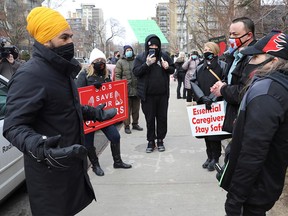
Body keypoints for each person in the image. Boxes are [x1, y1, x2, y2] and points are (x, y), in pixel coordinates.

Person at [2, 7, 117, 215]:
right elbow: (13, 126)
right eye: (64, 37)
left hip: (70, 168)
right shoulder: (30, 75)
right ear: (46, 40)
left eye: (71, 36)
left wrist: (94, 113)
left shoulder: (61, 71)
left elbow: (64, 108)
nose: (70, 42)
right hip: (50, 176)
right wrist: (42, 149)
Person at [219, 30, 288, 216]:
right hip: (259, 186)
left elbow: (253, 153)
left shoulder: (267, 93)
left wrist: (235, 198)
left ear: (273, 60)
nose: (250, 62)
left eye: (256, 57)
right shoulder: (273, 86)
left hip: (253, 191)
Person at [76, 48, 132, 176]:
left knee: (115, 136)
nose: (100, 62)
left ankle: (117, 161)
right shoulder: (84, 75)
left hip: (103, 114)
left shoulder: (106, 75)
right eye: (97, 60)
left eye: (102, 60)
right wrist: (92, 88)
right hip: (88, 115)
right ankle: (95, 165)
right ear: (92, 62)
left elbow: (110, 93)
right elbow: (79, 94)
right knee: (89, 143)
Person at [211, 17, 257, 134]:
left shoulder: (254, 58)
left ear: (249, 35)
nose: (231, 38)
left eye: (235, 34)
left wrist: (223, 89)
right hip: (234, 117)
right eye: (230, 34)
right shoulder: (234, 55)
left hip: (246, 120)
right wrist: (222, 85)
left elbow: (243, 92)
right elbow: (233, 82)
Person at [133, 34, 175, 153]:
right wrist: (146, 64)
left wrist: (167, 67)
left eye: (156, 45)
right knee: (150, 118)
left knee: (162, 118)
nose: (154, 47)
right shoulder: (141, 57)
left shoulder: (164, 56)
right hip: (147, 96)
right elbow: (136, 72)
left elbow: (173, 69)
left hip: (162, 95)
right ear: (147, 45)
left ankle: (160, 139)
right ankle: (151, 141)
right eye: (151, 45)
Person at [190, 42, 228, 171]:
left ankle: (215, 158)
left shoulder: (223, 66)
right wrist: (202, 97)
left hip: (216, 103)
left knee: (215, 133)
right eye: (205, 49)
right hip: (203, 102)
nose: (206, 51)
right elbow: (194, 82)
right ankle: (209, 156)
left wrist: (212, 98)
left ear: (215, 51)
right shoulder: (200, 67)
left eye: (209, 49)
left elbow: (225, 82)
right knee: (206, 132)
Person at [115, 45, 143, 134]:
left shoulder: (136, 61)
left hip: (136, 89)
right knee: (127, 109)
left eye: (130, 50)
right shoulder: (120, 62)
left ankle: (135, 124)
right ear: (124, 52)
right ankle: (126, 126)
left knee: (136, 109)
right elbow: (117, 76)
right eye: (127, 50)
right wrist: (120, 86)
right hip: (125, 89)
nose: (129, 51)